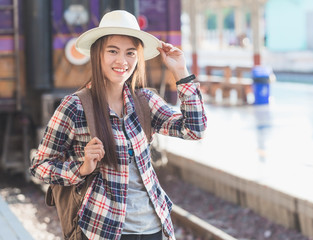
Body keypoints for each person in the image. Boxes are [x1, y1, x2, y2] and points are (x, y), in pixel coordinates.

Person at [30, 10, 207, 240]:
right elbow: (40, 166)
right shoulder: (75, 106)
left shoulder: (145, 101)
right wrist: (81, 169)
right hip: (104, 230)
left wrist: (181, 72)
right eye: (113, 51)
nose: (122, 61)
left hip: (154, 227)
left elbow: (195, 130)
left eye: (130, 53)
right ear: (98, 54)